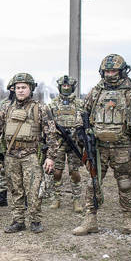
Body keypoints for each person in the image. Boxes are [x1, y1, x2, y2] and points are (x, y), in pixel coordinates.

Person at [73, 54, 131, 237]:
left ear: (122, 71)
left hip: (123, 147)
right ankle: (90, 220)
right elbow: (82, 112)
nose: (110, 74)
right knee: (93, 183)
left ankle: (128, 221)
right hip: (99, 148)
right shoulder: (96, 92)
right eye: (107, 70)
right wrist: (81, 132)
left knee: (125, 184)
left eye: (114, 70)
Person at [0, 72, 58, 233]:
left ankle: (35, 220)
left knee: (33, 189)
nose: (20, 90)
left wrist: (50, 157)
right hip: (11, 155)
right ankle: (18, 220)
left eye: (24, 87)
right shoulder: (6, 108)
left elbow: (51, 135)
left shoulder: (40, 108)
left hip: (31, 155)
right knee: (15, 189)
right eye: (18, 88)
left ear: (30, 89)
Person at [47, 75, 84, 213]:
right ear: (60, 87)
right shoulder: (53, 104)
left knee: (74, 172)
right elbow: (48, 123)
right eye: (64, 86)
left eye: (68, 86)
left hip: (74, 143)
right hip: (59, 142)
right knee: (57, 172)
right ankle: (57, 197)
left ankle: (76, 199)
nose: (66, 88)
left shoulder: (80, 104)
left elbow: (85, 121)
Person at [0, 78, 15, 207]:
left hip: (21, 143)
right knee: (2, 169)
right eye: (11, 88)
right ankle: (2, 197)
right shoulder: (4, 103)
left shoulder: (29, 105)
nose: (14, 90)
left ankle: (25, 199)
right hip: (5, 142)